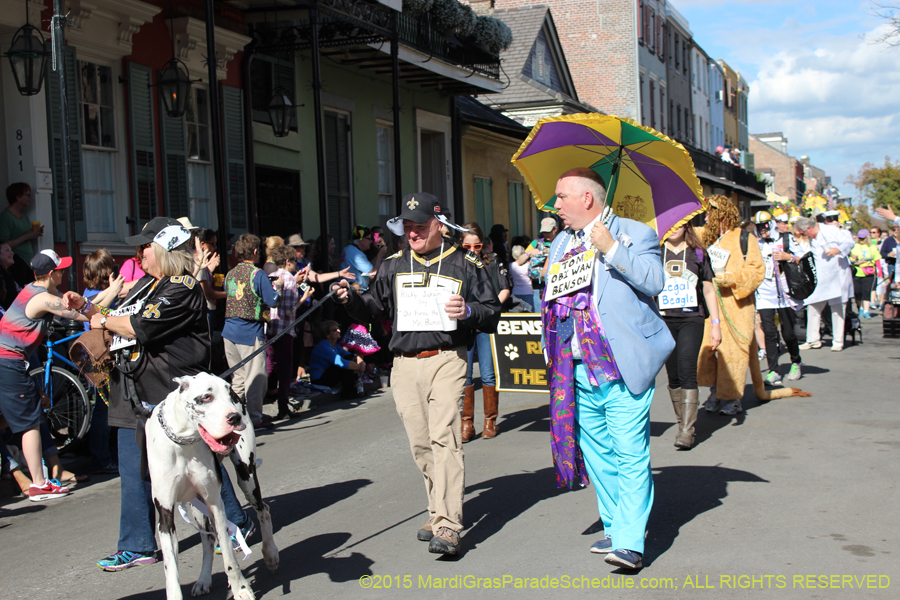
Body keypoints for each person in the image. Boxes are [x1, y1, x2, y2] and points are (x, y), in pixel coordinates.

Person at [332, 192, 501, 556]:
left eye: (420, 227)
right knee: (421, 444)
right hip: (404, 364)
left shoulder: (465, 263)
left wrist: (468, 310)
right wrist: (349, 300)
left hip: (447, 358)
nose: (412, 234)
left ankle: (449, 524)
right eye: (407, 227)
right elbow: (372, 309)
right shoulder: (394, 264)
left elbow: (491, 312)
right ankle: (436, 510)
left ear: (439, 225)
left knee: (445, 438)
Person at [83, 217, 253, 570]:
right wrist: (89, 311)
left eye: (145, 246)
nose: (138, 253)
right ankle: (138, 544)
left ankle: (237, 523)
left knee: (196, 470)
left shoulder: (181, 286)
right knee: (134, 471)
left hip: (172, 396)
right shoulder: (146, 285)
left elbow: (139, 326)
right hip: (132, 391)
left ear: (163, 249)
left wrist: (97, 318)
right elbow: (118, 316)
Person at [540, 168, 672, 570]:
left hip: (619, 363)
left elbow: (655, 281)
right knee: (597, 453)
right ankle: (615, 527)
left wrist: (613, 248)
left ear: (587, 199)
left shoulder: (635, 232)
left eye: (562, 197)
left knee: (630, 453)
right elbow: (552, 294)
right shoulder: (562, 240)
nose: (556, 204)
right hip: (574, 364)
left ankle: (632, 542)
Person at [0, 249, 94, 501]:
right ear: (52, 273)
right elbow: (84, 313)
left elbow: (84, 306)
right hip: (8, 362)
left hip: (7, 361)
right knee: (30, 422)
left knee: (22, 416)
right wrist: (109, 311)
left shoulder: (37, 288)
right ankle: (39, 485)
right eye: (61, 269)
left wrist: (105, 296)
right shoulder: (42, 298)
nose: (64, 272)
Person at [697, 195, 765, 416]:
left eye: (710, 213)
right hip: (709, 305)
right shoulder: (704, 237)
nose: (706, 217)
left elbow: (756, 271)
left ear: (721, 215)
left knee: (733, 352)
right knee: (707, 351)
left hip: (737, 306)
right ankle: (716, 390)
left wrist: (729, 277)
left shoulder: (745, 238)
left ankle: (732, 397)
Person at [657, 222, 720, 450]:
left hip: (692, 319)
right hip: (664, 320)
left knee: (687, 369)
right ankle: (682, 421)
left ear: (687, 227)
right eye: (670, 224)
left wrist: (716, 324)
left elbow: (709, 289)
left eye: (680, 224)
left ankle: (687, 430)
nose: (674, 228)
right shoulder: (655, 252)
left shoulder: (699, 253)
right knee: (673, 375)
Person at [223, 234, 282, 430]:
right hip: (249, 332)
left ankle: (236, 416)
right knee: (256, 378)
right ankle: (255, 418)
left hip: (229, 331)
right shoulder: (257, 275)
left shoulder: (230, 274)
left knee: (237, 378)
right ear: (256, 252)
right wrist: (278, 289)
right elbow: (272, 300)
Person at [460, 222, 510, 442]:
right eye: (467, 246)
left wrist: (492, 310)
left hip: (486, 322)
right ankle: (467, 424)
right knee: (466, 374)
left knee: (488, 371)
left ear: (483, 244)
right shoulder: (456, 263)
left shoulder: (493, 261)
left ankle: (490, 421)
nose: (472, 251)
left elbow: (505, 288)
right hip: (465, 321)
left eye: (477, 246)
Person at [753, 211, 804, 386]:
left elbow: (803, 258)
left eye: (765, 226)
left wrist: (788, 257)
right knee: (769, 332)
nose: (763, 230)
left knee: (788, 333)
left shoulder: (787, 239)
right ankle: (774, 370)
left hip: (785, 294)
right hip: (764, 295)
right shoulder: (756, 244)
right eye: (759, 227)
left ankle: (795, 361)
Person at [266, 245, 313, 418]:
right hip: (284, 329)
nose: (296, 263)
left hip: (270, 327)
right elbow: (289, 309)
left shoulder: (271, 276)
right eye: (294, 260)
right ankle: (283, 408)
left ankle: (267, 395)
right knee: (285, 370)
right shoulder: (290, 280)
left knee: (271, 364)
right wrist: (304, 297)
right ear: (287, 261)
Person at [794, 216, 853, 352]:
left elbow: (848, 241)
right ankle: (812, 339)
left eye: (803, 233)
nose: (803, 236)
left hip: (837, 275)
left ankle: (838, 340)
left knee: (838, 309)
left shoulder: (831, 230)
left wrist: (837, 250)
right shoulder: (810, 239)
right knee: (813, 306)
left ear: (808, 228)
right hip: (821, 276)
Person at [0, 183, 42, 286]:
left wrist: (34, 234)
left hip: (27, 261)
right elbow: (3, 244)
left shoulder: (22, 215)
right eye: (27, 195)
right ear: (18, 197)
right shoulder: (6, 217)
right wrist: (28, 236)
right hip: (17, 261)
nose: (30, 198)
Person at [308, 320, 367, 388]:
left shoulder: (335, 345)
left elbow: (351, 355)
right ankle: (349, 391)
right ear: (327, 334)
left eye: (338, 328)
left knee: (350, 358)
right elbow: (340, 362)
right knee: (344, 364)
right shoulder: (323, 346)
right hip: (319, 379)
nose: (338, 331)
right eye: (334, 329)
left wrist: (361, 362)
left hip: (328, 374)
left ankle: (354, 389)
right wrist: (360, 367)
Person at [526, 217, 559, 308]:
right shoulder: (536, 243)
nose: (545, 234)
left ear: (555, 229)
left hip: (556, 286)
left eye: (548, 231)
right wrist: (529, 253)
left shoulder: (561, 243)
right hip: (539, 287)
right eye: (544, 231)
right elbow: (519, 261)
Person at [341, 226, 386, 292]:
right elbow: (373, 274)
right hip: (356, 292)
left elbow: (370, 268)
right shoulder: (356, 254)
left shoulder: (348, 249)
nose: (371, 241)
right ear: (360, 240)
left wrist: (377, 254)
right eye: (368, 239)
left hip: (349, 289)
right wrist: (380, 256)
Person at [850, 229, 880, 319]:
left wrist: (879, 270)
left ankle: (867, 311)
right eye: (860, 238)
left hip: (869, 272)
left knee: (866, 292)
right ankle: (861, 308)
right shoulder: (855, 246)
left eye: (863, 238)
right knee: (857, 292)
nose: (861, 240)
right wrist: (856, 262)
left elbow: (877, 259)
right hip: (857, 272)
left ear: (867, 238)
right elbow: (851, 258)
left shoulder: (872, 247)